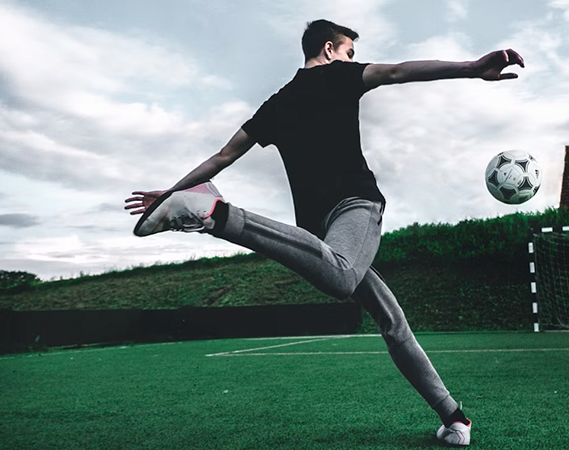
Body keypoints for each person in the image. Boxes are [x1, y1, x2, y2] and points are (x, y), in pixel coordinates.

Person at [125, 19, 524, 446]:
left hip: (321, 231)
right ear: (331, 49)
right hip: (356, 205)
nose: (354, 59)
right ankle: (219, 217)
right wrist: (471, 67)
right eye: (351, 51)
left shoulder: (275, 105)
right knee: (340, 278)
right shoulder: (341, 74)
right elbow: (398, 71)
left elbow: (222, 157)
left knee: (392, 321)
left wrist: (171, 192)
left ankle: (453, 416)